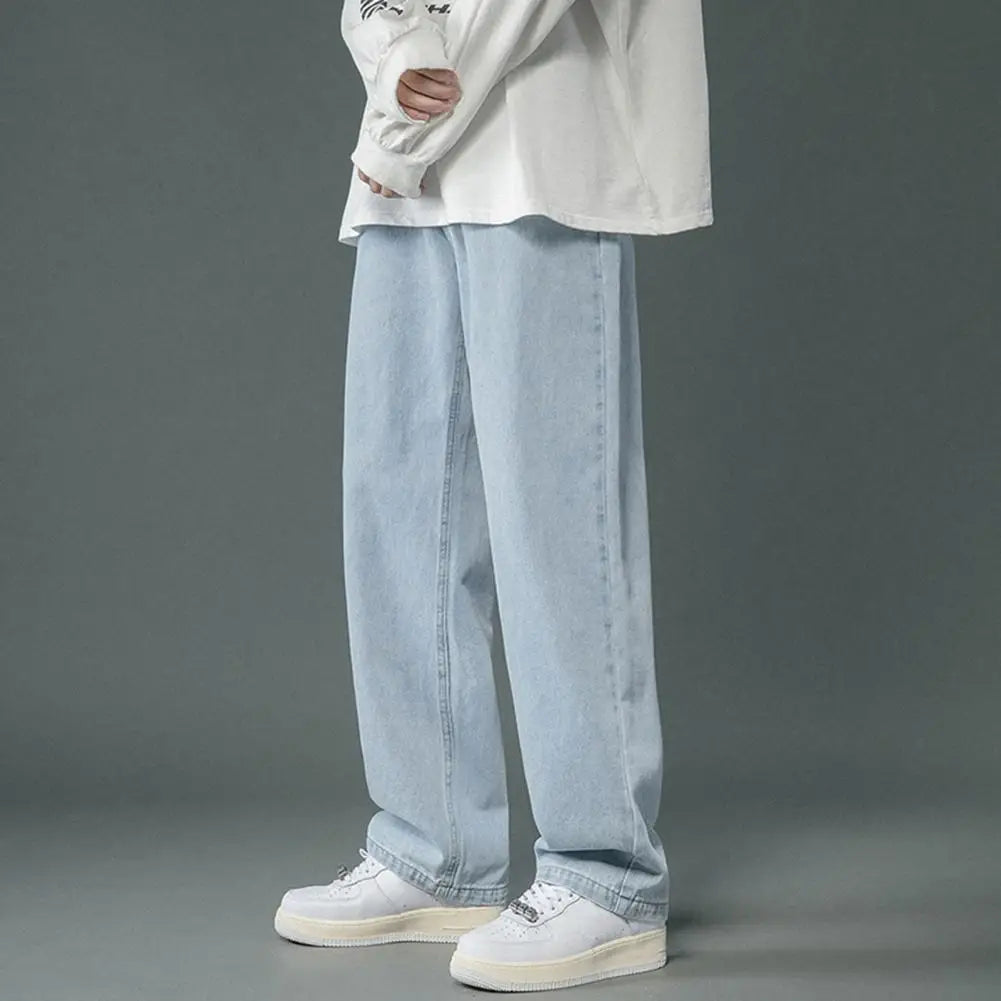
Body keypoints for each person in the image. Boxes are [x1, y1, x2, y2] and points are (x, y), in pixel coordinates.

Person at [273, 0, 713, 991]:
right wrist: (393, 61)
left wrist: (398, 129)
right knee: (397, 506)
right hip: (412, 171)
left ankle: (606, 873)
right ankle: (431, 849)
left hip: (540, 148)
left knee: (556, 517)